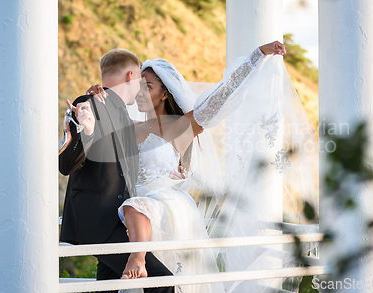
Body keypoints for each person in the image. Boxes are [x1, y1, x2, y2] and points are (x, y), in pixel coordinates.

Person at [85, 40, 320, 293]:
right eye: (138, 86)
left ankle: (138, 258)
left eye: (148, 86)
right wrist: (100, 96)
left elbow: (223, 95)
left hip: (163, 209)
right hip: (131, 218)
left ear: (164, 92)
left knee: (140, 218)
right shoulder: (129, 126)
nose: (140, 92)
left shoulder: (181, 127)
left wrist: (257, 56)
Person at [59, 48, 183, 293]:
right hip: (96, 221)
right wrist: (87, 131)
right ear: (130, 76)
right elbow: (65, 165)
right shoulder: (86, 104)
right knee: (161, 281)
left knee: (107, 288)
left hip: (113, 220)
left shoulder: (122, 115)